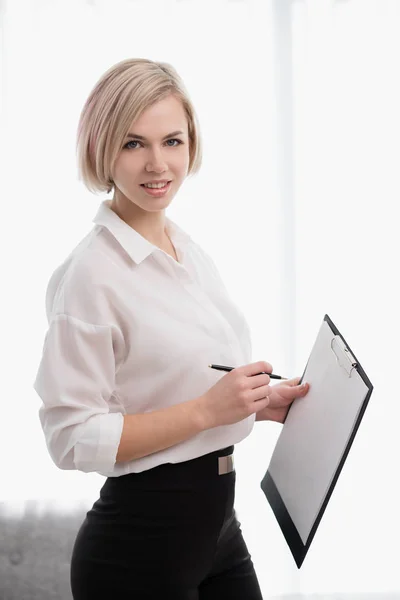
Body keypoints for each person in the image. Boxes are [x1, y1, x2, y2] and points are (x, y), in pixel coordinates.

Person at [33, 57, 310, 600]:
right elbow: (69, 437)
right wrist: (208, 410)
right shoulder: (91, 274)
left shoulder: (186, 248)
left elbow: (177, 376)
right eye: (133, 143)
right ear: (101, 148)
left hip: (217, 534)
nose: (158, 164)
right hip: (137, 553)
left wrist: (254, 400)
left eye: (173, 141)